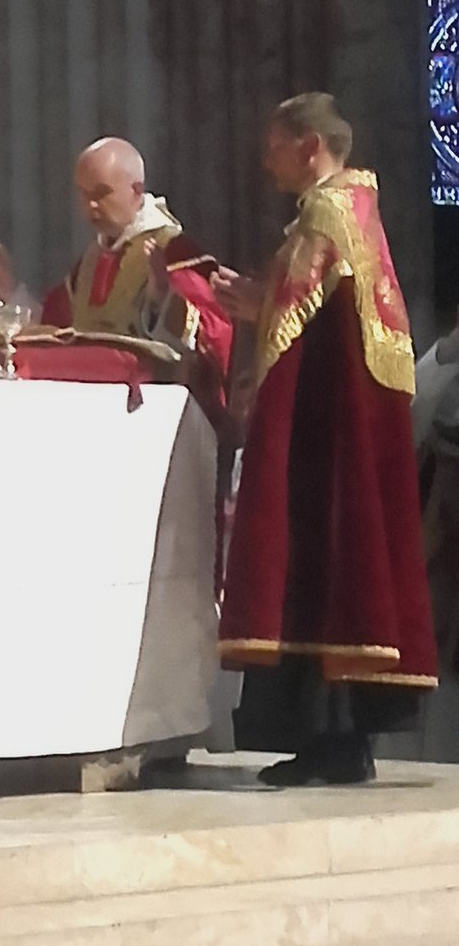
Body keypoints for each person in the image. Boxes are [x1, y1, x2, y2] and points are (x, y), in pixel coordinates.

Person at [212, 92, 438, 787]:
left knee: (316, 563)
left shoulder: (324, 212)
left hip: (321, 427)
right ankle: (343, 738)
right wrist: (263, 301)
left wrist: (256, 308)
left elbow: (292, 317)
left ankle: (328, 740)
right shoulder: (359, 208)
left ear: (311, 146)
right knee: (346, 566)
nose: (266, 161)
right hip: (350, 418)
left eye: (275, 146)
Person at [0, 137, 232, 386]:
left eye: (101, 193)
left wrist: (164, 299)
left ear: (137, 191)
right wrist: (10, 290)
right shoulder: (93, 259)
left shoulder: (172, 252)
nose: (90, 205)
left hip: (147, 391)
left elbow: (214, 338)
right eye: (84, 193)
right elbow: (56, 328)